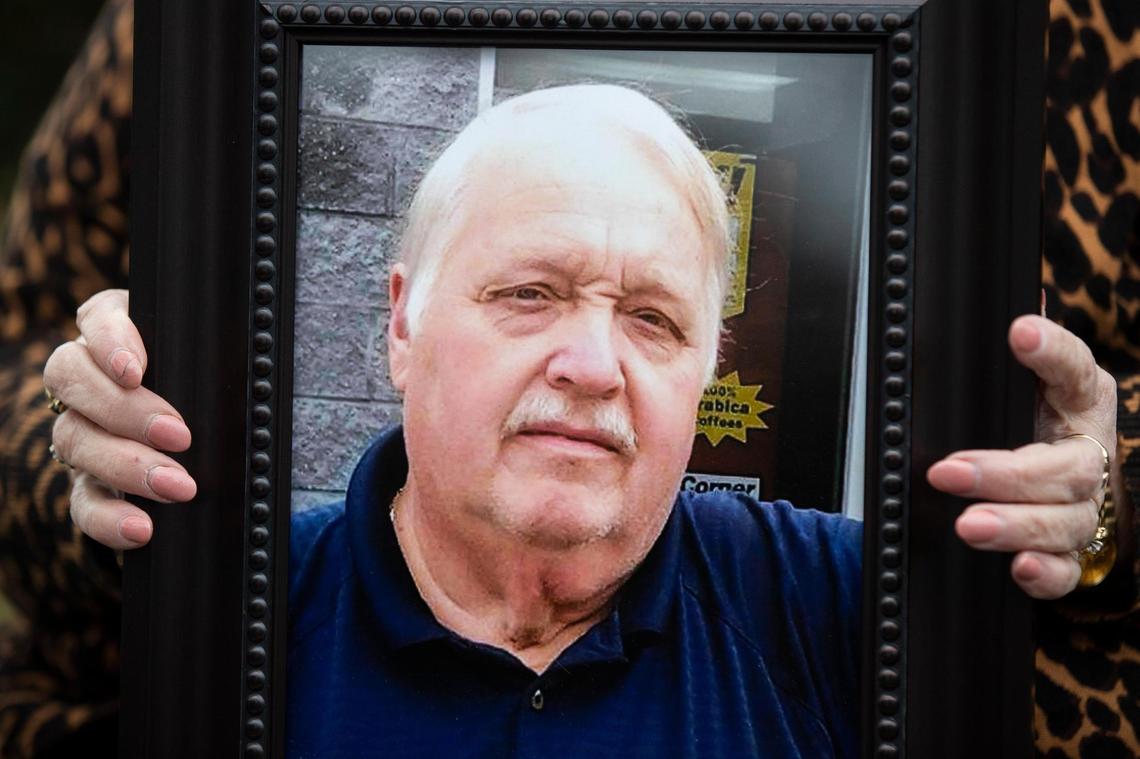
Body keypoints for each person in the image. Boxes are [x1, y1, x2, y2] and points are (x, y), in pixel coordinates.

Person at [37, 83, 1115, 756]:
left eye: (651, 318)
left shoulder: (833, 605)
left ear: (708, 368)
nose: (594, 366)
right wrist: (54, 490)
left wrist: (1106, 511)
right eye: (530, 295)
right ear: (402, 324)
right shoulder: (221, 609)